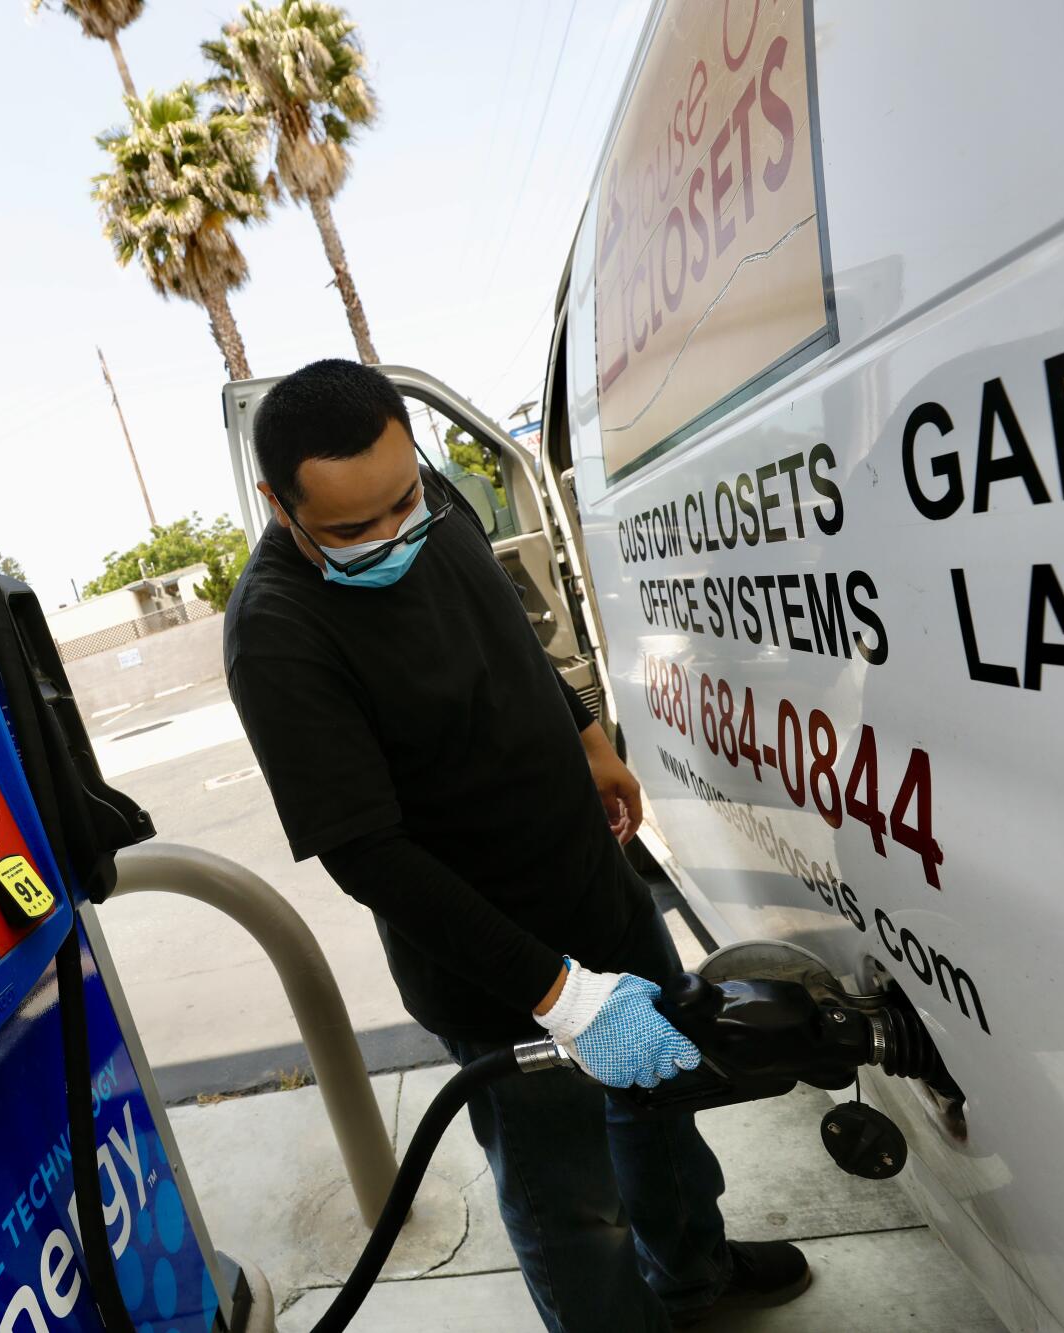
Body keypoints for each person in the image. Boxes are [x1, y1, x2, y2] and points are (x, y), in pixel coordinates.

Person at [222, 360, 811, 1331]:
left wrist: (585, 736)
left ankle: (695, 1273)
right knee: (572, 1203)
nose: (390, 537)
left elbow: (508, 629)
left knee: (666, 1104)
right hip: (499, 975)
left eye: (401, 502)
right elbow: (366, 853)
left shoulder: (426, 499)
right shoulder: (277, 634)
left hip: (596, 889)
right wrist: (563, 996)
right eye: (348, 530)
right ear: (275, 505)